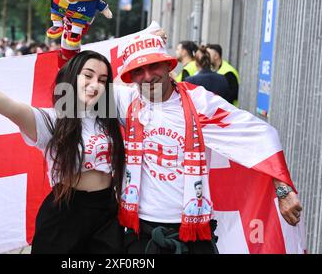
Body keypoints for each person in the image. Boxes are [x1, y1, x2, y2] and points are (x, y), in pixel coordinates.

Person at [113, 33, 302, 254]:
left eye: (154, 66)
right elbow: (72, 91)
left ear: (167, 65)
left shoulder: (199, 102)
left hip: (193, 234)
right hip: (141, 234)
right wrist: (72, 27)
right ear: (130, 77)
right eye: (138, 70)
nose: (147, 76)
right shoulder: (123, 101)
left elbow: (260, 134)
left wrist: (283, 189)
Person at [0, 50, 126, 254]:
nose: (95, 84)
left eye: (102, 80)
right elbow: (13, 109)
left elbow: (140, 86)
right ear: (72, 77)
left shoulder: (108, 119)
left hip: (106, 212)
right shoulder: (53, 121)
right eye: (88, 75)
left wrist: (152, 39)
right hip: (65, 215)